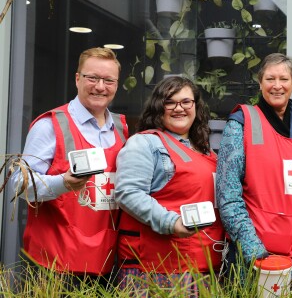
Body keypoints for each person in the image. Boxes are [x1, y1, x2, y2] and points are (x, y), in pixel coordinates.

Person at [13, 47, 128, 280]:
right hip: (54, 262)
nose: (100, 86)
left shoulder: (121, 128)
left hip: (105, 261)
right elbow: (19, 184)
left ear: (116, 84)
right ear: (77, 79)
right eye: (92, 78)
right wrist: (62, 183)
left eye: (108, 80)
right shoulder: (50, 125)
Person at [216, 53, 292, 280]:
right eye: (269, 79)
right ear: (260, 82)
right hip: (255, 260)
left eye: (284, 79)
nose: (277, 86)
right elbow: (228, 196)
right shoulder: (240, 123)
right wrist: (255, 252)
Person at [114, 76, 223, 294]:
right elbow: (128, 193)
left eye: (186, 102)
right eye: (170, 102)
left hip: (203, 267)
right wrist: (172, 223)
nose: (178, 108)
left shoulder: (206, 152)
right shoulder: (145, 143)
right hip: (155, 271)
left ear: (196, 107)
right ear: (158, 108)